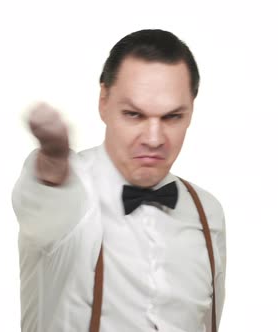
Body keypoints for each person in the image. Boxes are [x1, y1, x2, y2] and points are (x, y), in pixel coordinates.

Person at [12, 29, 226, 332]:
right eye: (134, 114)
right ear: (103, 101)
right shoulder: (71, 188)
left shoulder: (208, 212)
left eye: (172, 117)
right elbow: (42, 206)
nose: (154, 139)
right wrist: (53, 164)